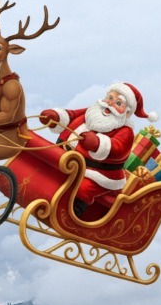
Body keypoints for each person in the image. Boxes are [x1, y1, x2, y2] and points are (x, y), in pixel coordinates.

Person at [39, 82, 148, 212]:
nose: (110, 104)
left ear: (127, 113)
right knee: (43, 163)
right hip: (64, 156)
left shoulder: (126, 131)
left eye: (118, 103)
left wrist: (97, 144)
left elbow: (118, 149)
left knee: (83, 188)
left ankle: (72, 212)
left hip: (96, 173)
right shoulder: (92, 112)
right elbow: (71, 115)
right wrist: (55, 117)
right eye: (110, 98)